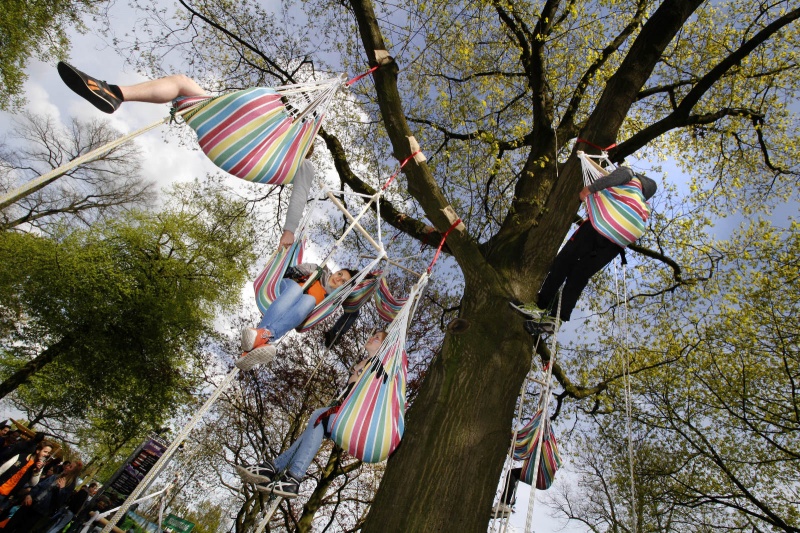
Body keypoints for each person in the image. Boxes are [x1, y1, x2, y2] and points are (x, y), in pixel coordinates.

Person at [56, 61, 316, 251]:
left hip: (239, 153)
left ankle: (115, 93)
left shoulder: (297, 161)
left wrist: (289, 231)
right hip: (224, 134)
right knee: (181, 82)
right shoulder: (266, 132)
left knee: (183, 83)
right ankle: (113, 93)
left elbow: (300, 196)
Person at [235, 331, 388, 497]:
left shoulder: (381, 365)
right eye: (372, 335)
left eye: (377, 338)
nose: (371, 337)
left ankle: (293, 476)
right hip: (346, 412)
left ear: (384, 346)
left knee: (319, 416)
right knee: (313, 427)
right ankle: (273, 468)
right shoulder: (367, 362)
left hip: (359, 420)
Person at [512, 166, 657, 333]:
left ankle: (540, 305)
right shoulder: (642, 202)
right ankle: (556, 319)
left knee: (564, 261)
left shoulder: (631, 177)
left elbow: (615, 178)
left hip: (604, 225)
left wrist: (589, 189)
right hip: (621, 239)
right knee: (580, 275)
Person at [237, 264, 356, 371]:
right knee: (297, 290)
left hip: (292, 311)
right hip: (285, 288)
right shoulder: (320, 270)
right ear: (336, 271)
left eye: (343, 282)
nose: (338, 278)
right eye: (340, 274)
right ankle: (263, 338)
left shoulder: (330, 300)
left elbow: (302, 323)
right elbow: (290, 271)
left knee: (310, 300)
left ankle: (263, 336)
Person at [3, 460, 83, 532]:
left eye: (70, 467)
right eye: (68, 465)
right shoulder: (55, 476)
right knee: (11, 524)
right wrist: (30, 495)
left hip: (40, 510)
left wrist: (61, 489)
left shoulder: (70, 485)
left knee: (22, 529)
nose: (67, 467)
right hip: (31, 502)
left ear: (74, 471)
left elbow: (60, 502)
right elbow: (39, 486)